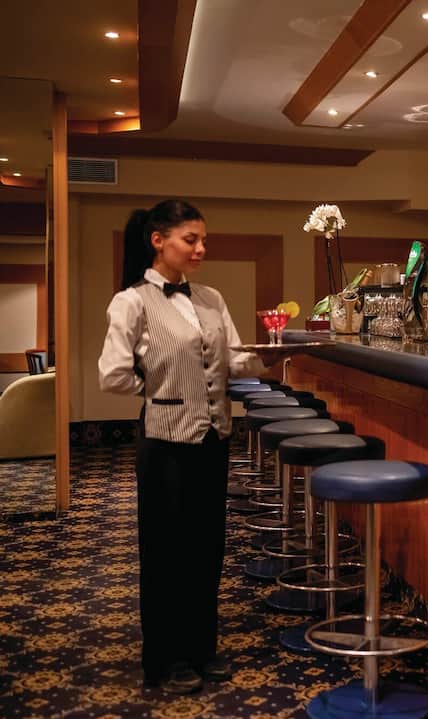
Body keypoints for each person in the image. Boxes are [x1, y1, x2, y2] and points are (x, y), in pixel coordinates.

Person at [98, 200, 267, 694]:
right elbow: (111, 374)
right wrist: (160, 390)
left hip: (213, 437)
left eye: (203, 241)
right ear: (158, 240)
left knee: (206, 548)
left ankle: (201, 647)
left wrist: (275, 353)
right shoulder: (131, 301)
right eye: (190, 240)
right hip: (164, 442)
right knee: (165, 552)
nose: (200, 249)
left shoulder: (212, 298)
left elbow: (234, 360)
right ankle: (166, 657)